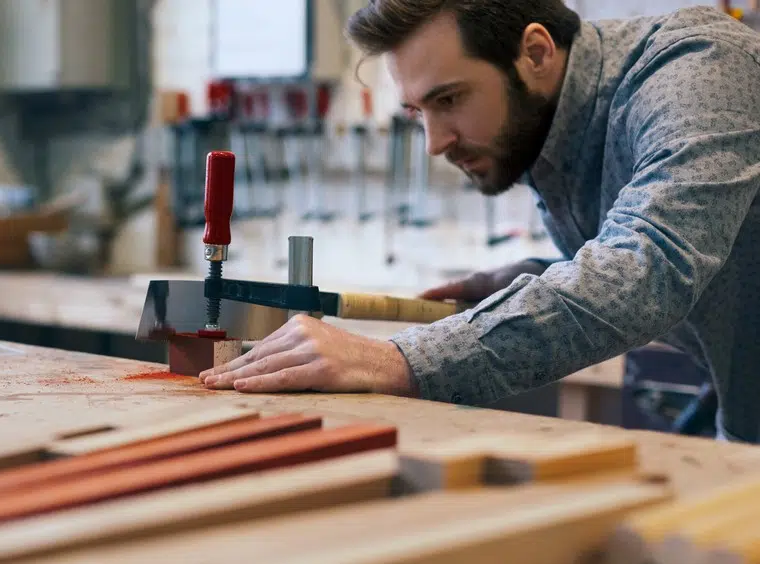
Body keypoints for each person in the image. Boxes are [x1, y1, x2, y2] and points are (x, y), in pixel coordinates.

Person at [199, 0, 760, 443]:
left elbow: (649, 269)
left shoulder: (699, 69)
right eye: (418, 113)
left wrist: (399, 359)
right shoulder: (557, 124)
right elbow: (710, 254)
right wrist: (531, 276)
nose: (435, 143)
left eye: (450, 99)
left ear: (535, 52)